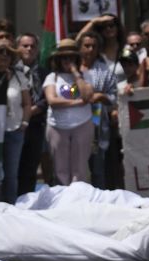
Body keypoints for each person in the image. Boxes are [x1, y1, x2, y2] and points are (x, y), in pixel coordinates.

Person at [43, 39, 93, 186]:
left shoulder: (85, 75)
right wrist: (77, 103)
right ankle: (63, 198)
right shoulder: (51, 77)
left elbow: (87, 96)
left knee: (80, 168)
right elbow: (52, 101)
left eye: (71, 57)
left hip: (82, 124)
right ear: (58, 59)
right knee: (60, 169)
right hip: (57, 127)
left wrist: (75, 73)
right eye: (64, 57)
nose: (67, 60)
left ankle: (79, 198)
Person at [78, 32, 120, 189]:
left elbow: (115, 96)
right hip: (73, 120)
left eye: (94, 46)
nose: (90, 49)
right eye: (87, 45)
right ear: (80, 48)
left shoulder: (104, 70)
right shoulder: (72, 68)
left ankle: (99, 197)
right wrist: (82, 93)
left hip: (96, 117)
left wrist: (101, 96)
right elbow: (63, 90)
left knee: (97, 166)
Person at [0, 39, 30, 203]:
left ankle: (10, 207)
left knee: (11, 174)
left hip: (14, 130)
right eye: (1, 52)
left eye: (8, 53)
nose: (5, 56)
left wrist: (24, 123)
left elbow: (27, 103)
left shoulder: (20, 76)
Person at [15, 33, 48, 196]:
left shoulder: (44, 72)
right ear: (17, 48)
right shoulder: (12, 70)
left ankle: (26, 203)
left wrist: (31, 111)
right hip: (14, 125)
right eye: (25, 45)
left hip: (35, 125)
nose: (29, 49)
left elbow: (47, 97)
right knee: (13, 168)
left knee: (30, 169)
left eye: (32, 46)